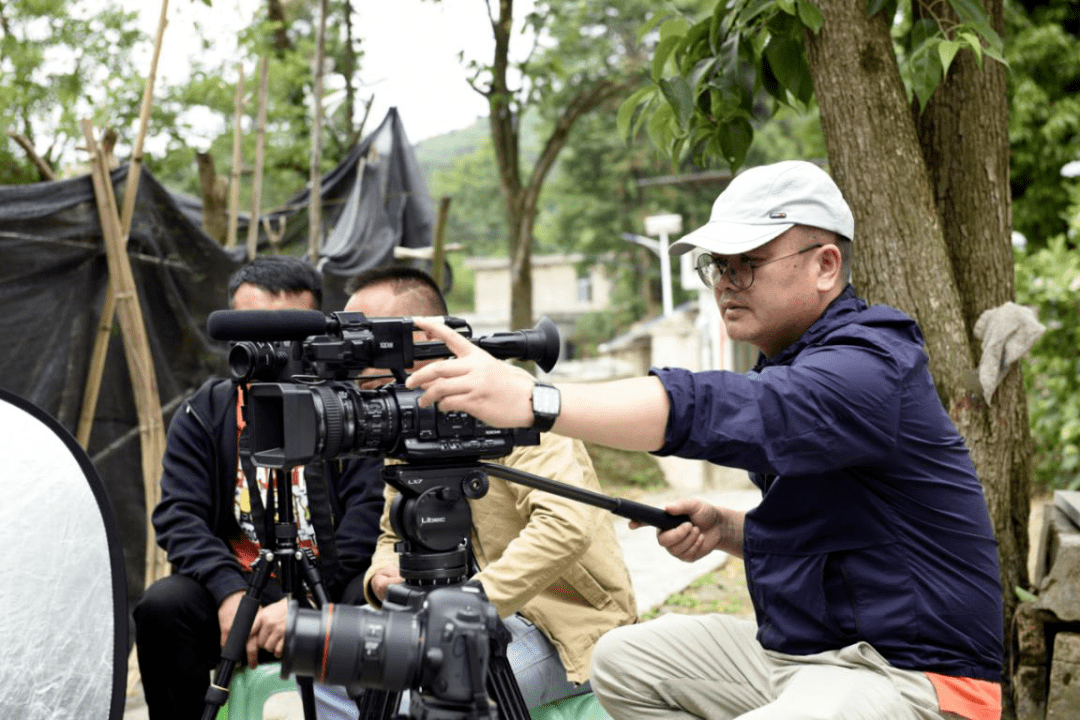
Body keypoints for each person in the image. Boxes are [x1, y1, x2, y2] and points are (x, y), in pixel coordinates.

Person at [402, 161, 1004, 720]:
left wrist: (536, 400)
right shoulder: (792, 366)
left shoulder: (872, 366)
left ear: (825, 265)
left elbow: (726, 407)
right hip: (806, 657)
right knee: (623, 660)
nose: (725, 283)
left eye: (746, 261)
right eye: (717, 264)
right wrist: (729, 528)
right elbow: (843, 534)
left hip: (912, 673)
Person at [313, 265, 637, 719]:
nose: (354, 364)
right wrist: (382, 577)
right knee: (321, 676)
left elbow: (567, 525)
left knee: (420, 703)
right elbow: (394, 532)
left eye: (367, 347)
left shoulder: (515, 401)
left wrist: (466, 603)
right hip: (445, 616)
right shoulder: (403, 413)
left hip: (561, 627)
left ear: (423, 341)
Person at [133, 256, 386, 720]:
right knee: (164, 607)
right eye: (251, 334)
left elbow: (369, 520)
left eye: (285, 335)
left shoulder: (349, 407)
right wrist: (232, 597)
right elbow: (178, 516)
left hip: (328, 585)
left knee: (369, 601)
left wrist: (303, 609)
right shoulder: (205, 412)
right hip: (237, 589)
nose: (269, 351)